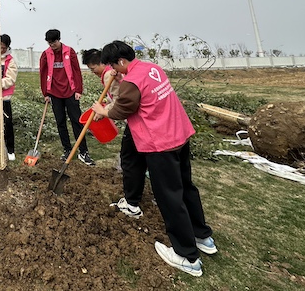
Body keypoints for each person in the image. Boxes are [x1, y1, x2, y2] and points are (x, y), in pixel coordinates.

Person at [91, 40, 216, 277]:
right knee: (186, 187)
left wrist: (103, 111)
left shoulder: (131, 82)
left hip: (160, 143)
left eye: (113, 66)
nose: (112, 71)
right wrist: (121, 78)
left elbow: (122, 109)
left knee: (169, 197)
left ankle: (187, 256)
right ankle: (202, 236)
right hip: (179, 134)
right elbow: (140, 92)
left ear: (121, 61)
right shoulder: (152, 68)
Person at [83, 48, 145, 219]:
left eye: (93, 68)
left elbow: (121, 99)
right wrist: (106, 103)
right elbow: (116, 95)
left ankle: (133, 202)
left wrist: (103, 111)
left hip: (137, 122)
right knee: (135, 158)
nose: (93, 72)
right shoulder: (115, 73)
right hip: (139, 122)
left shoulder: (108, 75)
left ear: (103, 63)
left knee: (130, 159)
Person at [39, 29, 95, 166]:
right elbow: (43, 73)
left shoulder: (69, 52)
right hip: (54, 93)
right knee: (60, 122)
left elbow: (76, 71)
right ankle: (67, 149)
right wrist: (46, 93)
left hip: (70, 91)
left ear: (59, 39)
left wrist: (78, 90)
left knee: (77, 121)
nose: (52, 45)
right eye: (49, 43)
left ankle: (83, 151)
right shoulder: (46, 55)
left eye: (54, 42)